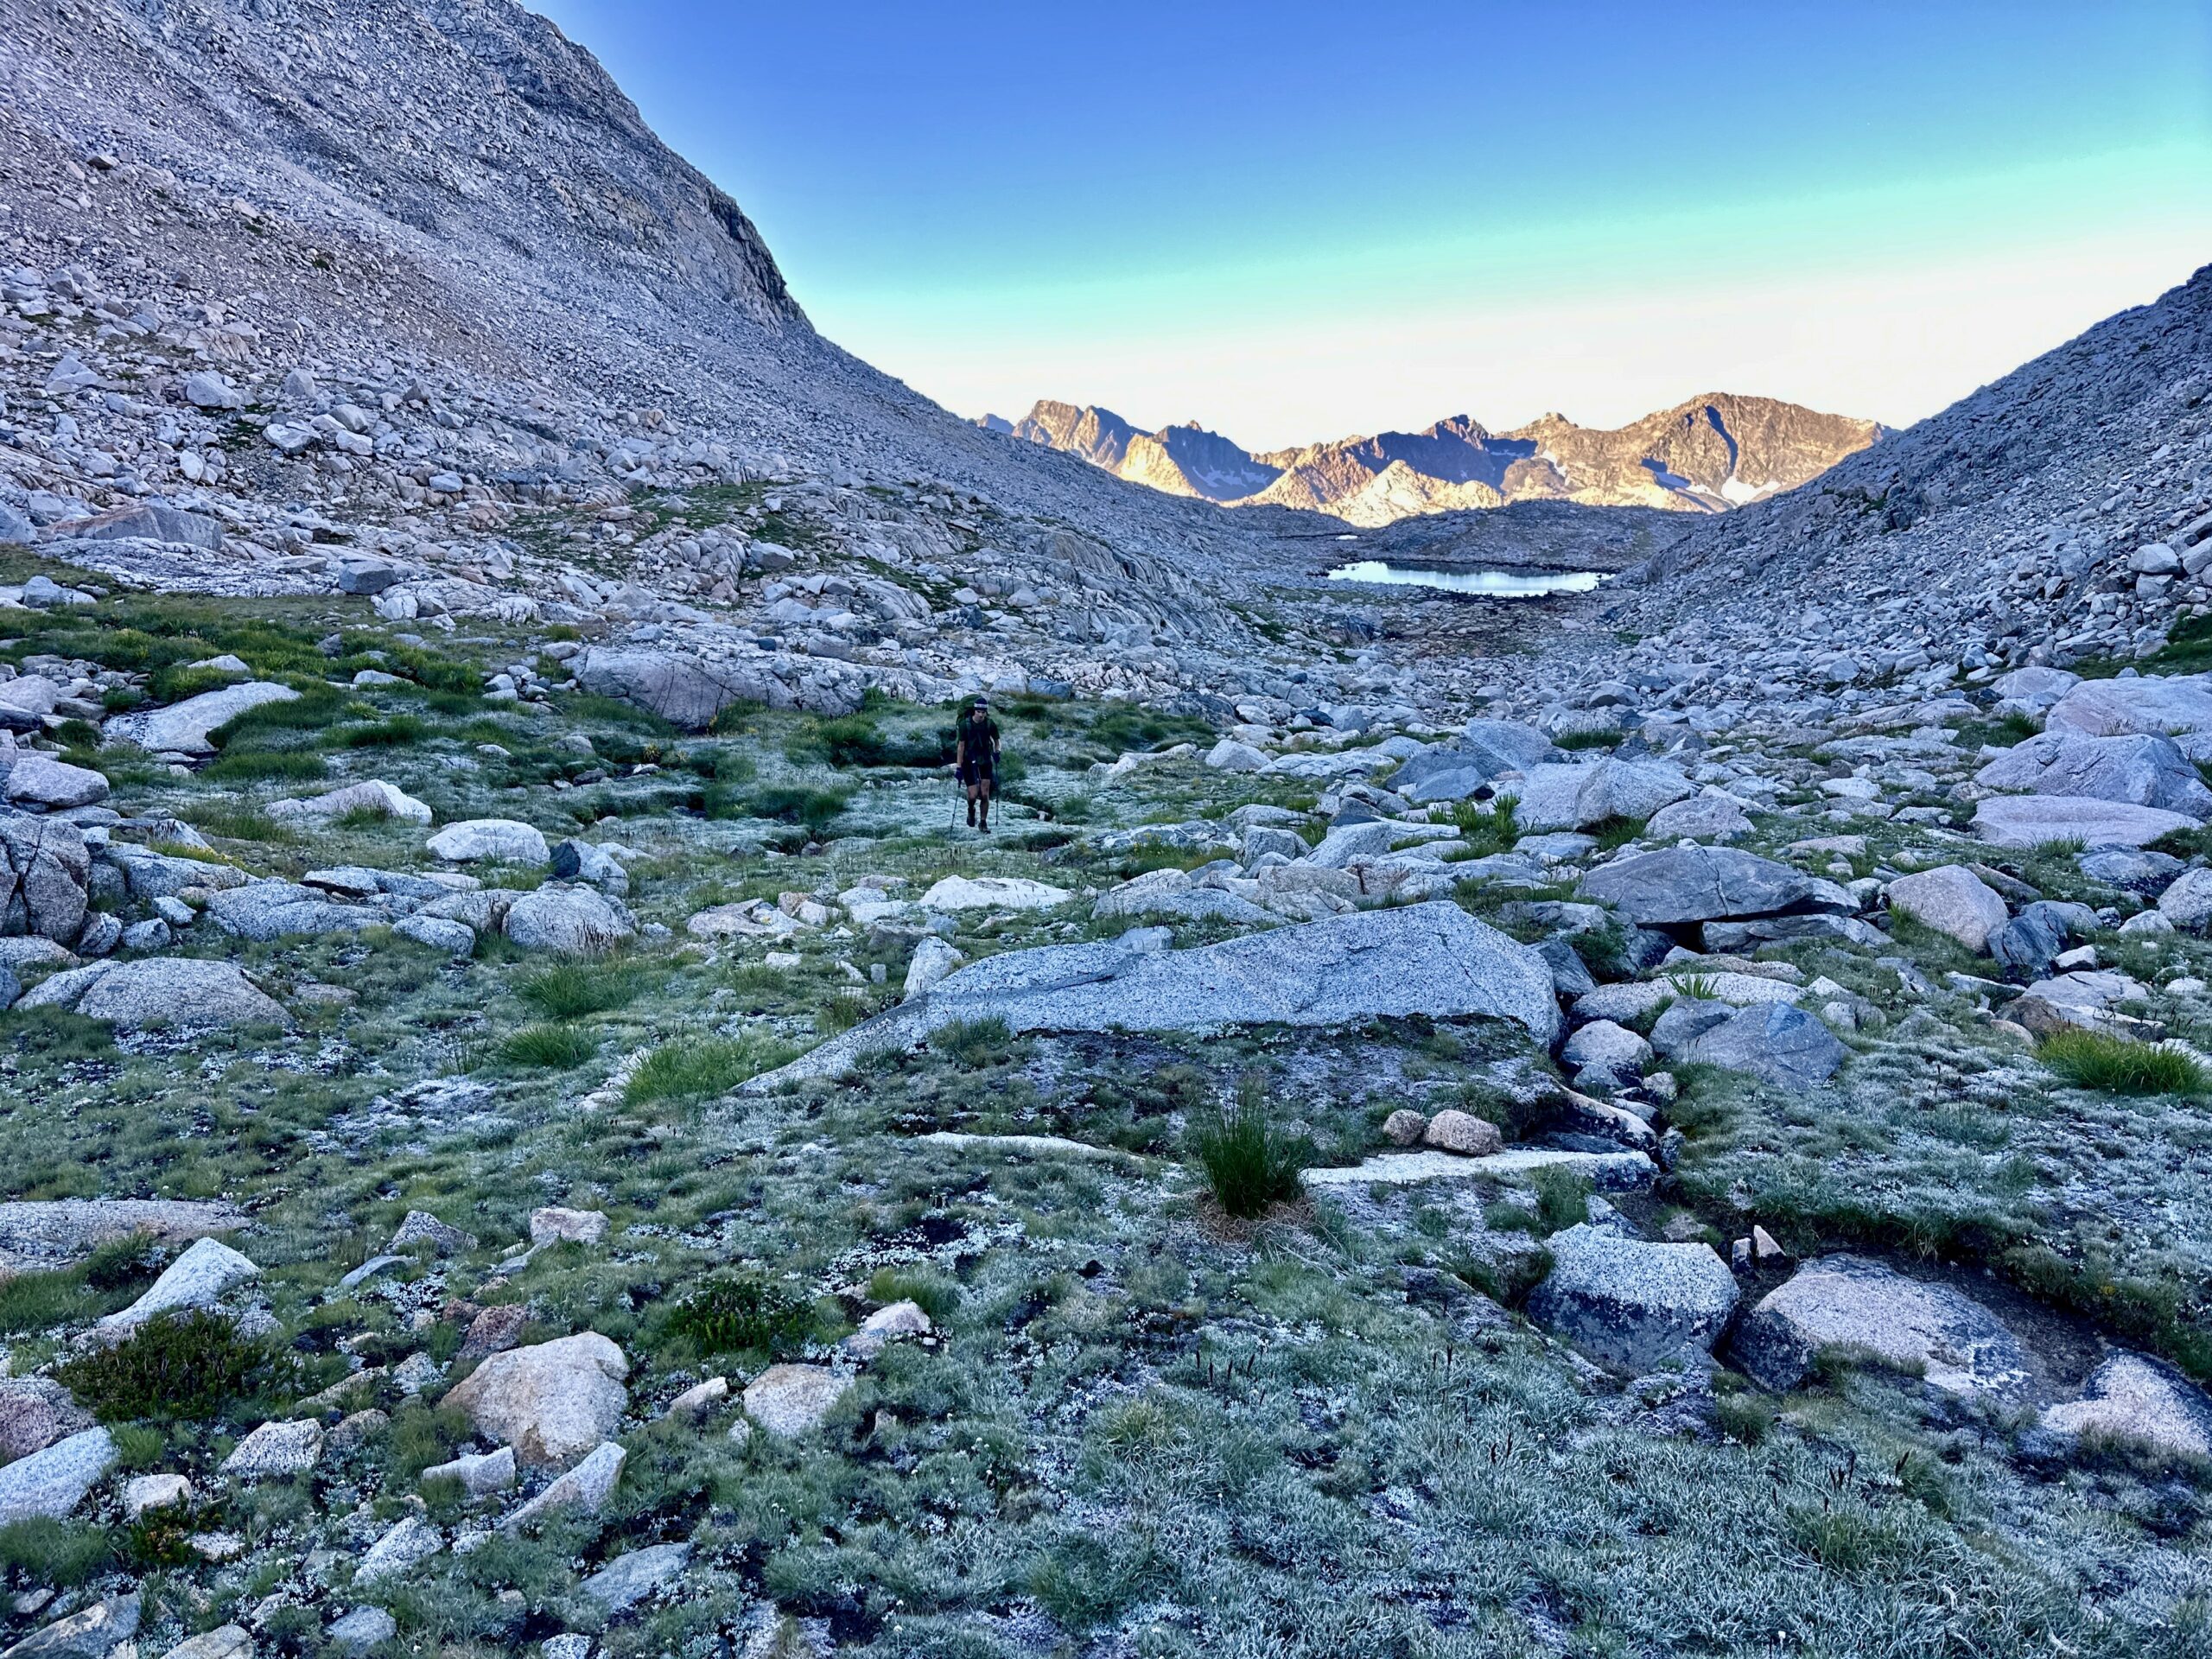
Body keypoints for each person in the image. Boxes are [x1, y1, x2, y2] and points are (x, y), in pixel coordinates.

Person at [953, 696, 1001, 832]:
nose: (981, 715)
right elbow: (961, 747)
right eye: (979, 712)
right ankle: (971, 810)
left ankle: (983, 822)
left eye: (983, 712)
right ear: (974, 711)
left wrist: (997, 752)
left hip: (985, 759)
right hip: (969, 761)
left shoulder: (990, 724)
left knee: (985, 794)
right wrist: (958, 767)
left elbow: (997, 740)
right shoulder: (965, 725)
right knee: (972, 795)